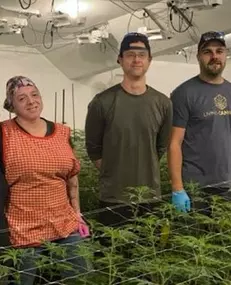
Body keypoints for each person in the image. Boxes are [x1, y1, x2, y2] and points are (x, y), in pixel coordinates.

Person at [1, 76, 90, 284]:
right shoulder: (4, 133)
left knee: (80, 276)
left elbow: (72, 177)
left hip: (64, 222)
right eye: (21, 98)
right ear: (11, 105)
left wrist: (77, 213)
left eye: (34, 95)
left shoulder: (61, 132)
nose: (31, 101)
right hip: (22, 227)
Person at [85, 32, 173, 227]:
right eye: (130, 54)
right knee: (113, 255)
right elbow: (93, 148)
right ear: (120, 60)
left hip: (149, 197)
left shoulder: (163, 103)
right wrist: (114, 171)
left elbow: (160, 146)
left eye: (141, 54)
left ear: (149, 60)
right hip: (114, 198)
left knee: (148, 253)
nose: (136, 59)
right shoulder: (102, 102)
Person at [168, 31, 231, 214]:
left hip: (227, 185)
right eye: (208, 52)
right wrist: (177, 188)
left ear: (226, 55)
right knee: (195, 241)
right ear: (198, 56)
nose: (214, 56)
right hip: (195, 187)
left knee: (225, 240)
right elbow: (174, 143)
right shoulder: (184, 93)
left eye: (219, 51)